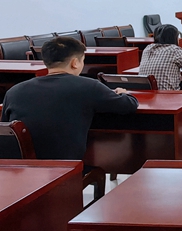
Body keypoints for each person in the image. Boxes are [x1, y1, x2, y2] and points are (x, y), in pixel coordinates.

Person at [1, 36, 138, 161]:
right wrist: (123, 93)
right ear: (75, 63)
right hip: (66, 169)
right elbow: (129, 105)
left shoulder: (14, 91)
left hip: (21, 169)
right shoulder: (89, 86)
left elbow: (6, 130)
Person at [139, 24, 182, 91]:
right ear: (174, 37)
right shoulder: (174, 50)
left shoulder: (147, 49)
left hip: (145, 95)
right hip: (168, 95)